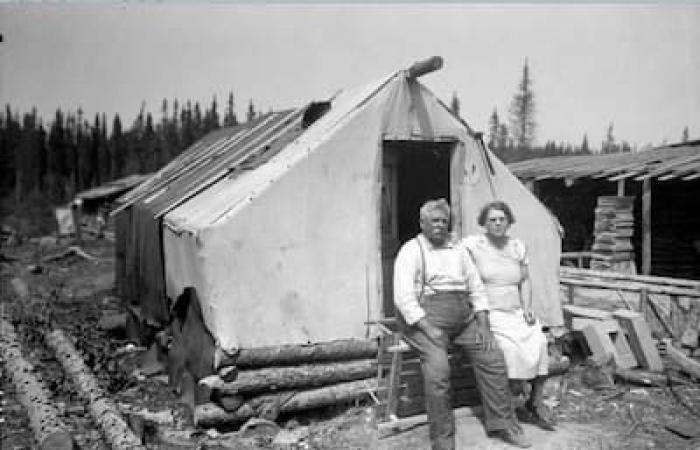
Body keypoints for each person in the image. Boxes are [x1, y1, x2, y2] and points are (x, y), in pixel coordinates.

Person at [393, 198, 531, 450]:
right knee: (438, 371)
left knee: (492, 356)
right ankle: (443, 441)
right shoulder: (412, 250)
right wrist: (428, 328)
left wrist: (483, 326)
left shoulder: (458, 251)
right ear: (422, 223)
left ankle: (503, 424)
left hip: (462, 318)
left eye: (444, 221)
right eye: (434, 221)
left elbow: (477, 289)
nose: (439, 226)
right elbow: (404, 298)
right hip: (424, 320)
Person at [460, 200, 556, 431]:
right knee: (508, 350)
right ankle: (507, 409)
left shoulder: (517, 246)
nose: (497, 223)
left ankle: (534, 402)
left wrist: (528, 307)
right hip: (490, 313)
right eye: (492, 219)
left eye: (502, 219)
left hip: (515, 312)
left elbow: (524, 280)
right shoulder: (474, 245)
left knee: (540, 343)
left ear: (509, 221)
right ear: (484, 222)